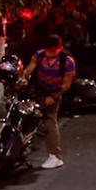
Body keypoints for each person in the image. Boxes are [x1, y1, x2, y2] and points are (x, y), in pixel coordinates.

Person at [20, 34, 76, 169]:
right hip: (39, 89)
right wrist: (24, 77)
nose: (49, 53)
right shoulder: (39, 55)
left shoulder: (67, 61)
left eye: (53, 50)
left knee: (49, 120)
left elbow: (67, 83)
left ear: (60, 48)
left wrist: (54, 96)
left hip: (54, 91)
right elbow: (29, 69)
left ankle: (55, 156)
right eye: (47, 50)